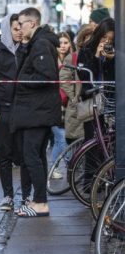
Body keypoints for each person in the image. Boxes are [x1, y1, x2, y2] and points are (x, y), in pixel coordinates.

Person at [12, 7, 61, 218]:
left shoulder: (41, 43)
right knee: (36, 155)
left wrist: (21, 81)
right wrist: (24, 46)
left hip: (37, 111)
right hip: (35, 110)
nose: (19, 28)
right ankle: (38, 199)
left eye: (21, 24)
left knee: (32, 156)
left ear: (32, 23)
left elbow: (47, 77)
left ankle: (41, 202)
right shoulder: (36, 43)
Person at [0, 13, 31, 211]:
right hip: (4, 110)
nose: (19, 32)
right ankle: (8, 195)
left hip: (25, 110)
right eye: (15, 28)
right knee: (5, 154)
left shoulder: (27, 50)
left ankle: (27, 196)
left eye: (21, 28)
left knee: (26, 155)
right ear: (7, 29)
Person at [49, 32, 75, 178]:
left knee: (62, 138)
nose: (63, 46)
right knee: (61, 137)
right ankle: (67, 167)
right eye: (60, 43)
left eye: (66, 42)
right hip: (54, 104)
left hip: (68, 105)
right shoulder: (51, 61)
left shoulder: (72, 60)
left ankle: (58, 167)